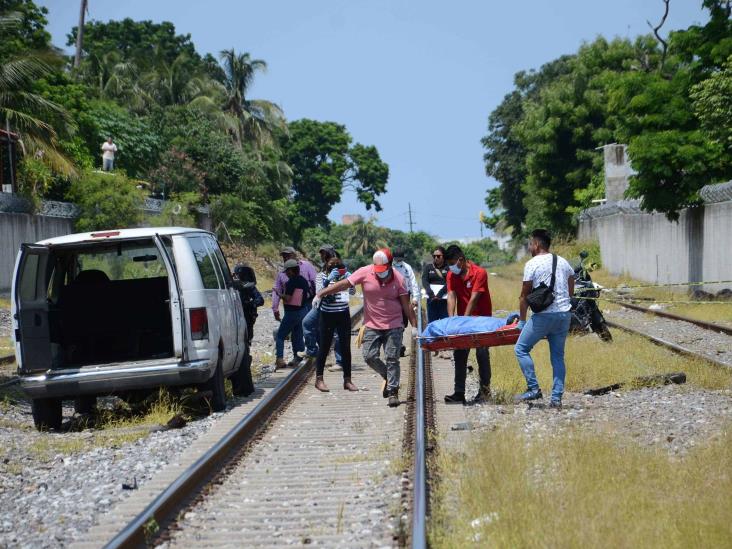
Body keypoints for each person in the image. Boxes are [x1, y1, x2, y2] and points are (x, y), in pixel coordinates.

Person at [318, 248, 417, 408]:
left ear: (390, 265)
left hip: (394, 325)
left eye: (383, 269)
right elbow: (344, 284)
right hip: (372, 325)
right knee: (369, 356)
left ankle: (393, 392)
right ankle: (388, 375)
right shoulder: (365, 272)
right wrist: (321, 293)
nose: (379, 272)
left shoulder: (399, 279)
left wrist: (414, 326)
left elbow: (406, 305)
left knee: (392, 358)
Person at [514, 229, 575, 408]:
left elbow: (523, 296)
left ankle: (533, 389)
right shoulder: (562, 261)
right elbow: (571, 284)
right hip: (564, 315)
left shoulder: (532, 264)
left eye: (530, 243)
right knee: (557, 356)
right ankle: (556, 398)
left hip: (543, 317)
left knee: (521, 349)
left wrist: (522, 321)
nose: (529, 247)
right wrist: (564, 298)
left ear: (537, 244)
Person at [444, 244, 493, 404]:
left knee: (482, 354)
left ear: (461, 259)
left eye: (452, 263)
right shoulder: (451, 275)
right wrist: (451, 320)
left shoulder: (480, 273)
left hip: (482, 321)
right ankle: (459, 393)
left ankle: (485, 391)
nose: (451, 267)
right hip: (462, 321)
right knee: (459, 354)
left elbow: (474, 299)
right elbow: (451, 296)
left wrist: (464, 321)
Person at [312, 257, 357, 392]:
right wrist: (328, 280)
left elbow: (352, 292)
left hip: (343, 313)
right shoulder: (321, 276)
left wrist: (351, 281)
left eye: (338, 267)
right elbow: (318, 292)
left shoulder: (344, 277)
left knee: (345, 348)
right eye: (332, 268)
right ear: (327, 267)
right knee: (324, 347)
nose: (336, 270)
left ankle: (347, 380)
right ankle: (319, 379)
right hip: (327, 315)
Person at [272, 246, 317, 365]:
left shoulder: (291, 281)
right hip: (302, 310)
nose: (285, 272)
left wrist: (279, 294)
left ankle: (280, 359)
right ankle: (298, 357)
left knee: (280, 335)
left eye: (287, 270)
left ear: (291, 270)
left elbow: (288, 297)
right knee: (297, 334)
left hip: (292, 311)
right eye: (283, 256)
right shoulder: (302, 280)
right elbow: (309, 290)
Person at [301, 245, 345, 369]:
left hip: (335, 304)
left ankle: (340, 361)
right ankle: (313, 351)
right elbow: (320, 289)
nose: (322, 256)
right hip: (322, 304)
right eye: (321, 254)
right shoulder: (323, 269)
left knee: (337, 333)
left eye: (324, 253)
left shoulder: (340, 268)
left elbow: (347, 289)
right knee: (307, 323)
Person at [232, 263, 264, 395]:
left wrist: (249, 303)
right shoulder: (235, 287)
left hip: (247, 321)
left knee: (246, 346)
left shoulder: (249, 288)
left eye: (237, 274)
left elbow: (260, 300)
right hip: (238, 322)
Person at [392, 247, 420, 357]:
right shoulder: (389, 267)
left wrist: (415, 298)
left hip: (405, 296)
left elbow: (413, 283)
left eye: (400, 259)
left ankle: (399, 344)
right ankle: (397, 345)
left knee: (402, 322)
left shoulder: (407, 268)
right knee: (394, 322)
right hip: (392, 297)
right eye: (397, 259)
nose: (398, 261)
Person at [422, 246, 449, 323]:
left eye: (438, 256)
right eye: (434, 256)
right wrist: (430, 293)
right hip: (431, 299)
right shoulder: (428, 267)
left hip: (444, 301)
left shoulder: (448, 268)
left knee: (445, 324)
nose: (436, 258)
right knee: (432, 324)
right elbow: (424, 280)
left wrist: (440, 294)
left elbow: (449, 282)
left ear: (443, 256)